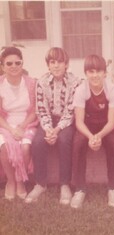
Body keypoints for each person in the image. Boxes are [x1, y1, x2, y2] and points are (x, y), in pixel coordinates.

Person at [25, 47, 79, 205]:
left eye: (60, 62)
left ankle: (64, 184)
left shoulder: (75, 82)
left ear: (66, 64)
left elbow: (71, 110)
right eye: (52, 62)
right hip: (48, 120)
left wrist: (57, 130)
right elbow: (41, 109)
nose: (56, 65)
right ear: (48, 65)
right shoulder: (41, 82)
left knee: (64, 140)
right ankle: (40, 183)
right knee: (38, 142)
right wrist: (48, 129)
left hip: (66, 121)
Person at [70, 54, 114, 209]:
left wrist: (98, 136)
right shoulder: (81, 90)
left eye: (99, 71)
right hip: (86, 126)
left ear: (105, 73)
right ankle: (79, 188)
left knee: (113, 143)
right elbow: (79, 121)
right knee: (78, 143)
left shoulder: (112, 89)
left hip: (106, 126)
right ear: (86, 73)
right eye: (91, 71)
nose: (95, 75)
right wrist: (90, 136)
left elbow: (112, 122)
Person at [0, 47, 38, 200]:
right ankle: (10, 181)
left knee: (25, 146)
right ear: (2, 66)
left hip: (27, 123)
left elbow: (35, 111)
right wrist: (10, 129)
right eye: (9, 64)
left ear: (22, 64)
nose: (14, 66)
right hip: (5, 124)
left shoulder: (31, 83)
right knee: (3, 146)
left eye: (17, 62)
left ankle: (20, 180)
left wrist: (21, 127)